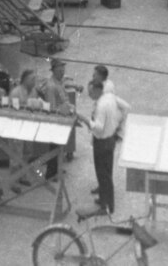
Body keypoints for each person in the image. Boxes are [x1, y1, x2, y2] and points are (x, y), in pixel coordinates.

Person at [77, 79, 129, 214]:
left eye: (91, 92)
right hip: (110, 139)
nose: (89, 95)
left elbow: (98, 128)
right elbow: (126, 107)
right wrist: (119, 127)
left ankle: (106, 206)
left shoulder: (101, 105)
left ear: (98, 90)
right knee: (106, 174)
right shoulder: (110, 97)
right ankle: (105, 201)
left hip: (102, 142)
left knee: (103, 175)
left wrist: (85, 120)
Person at [38, 58, 73, 179]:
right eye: (60, 71)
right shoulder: (51, 86)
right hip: (56, 119)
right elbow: (51, 107)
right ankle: (51, 173)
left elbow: (65, 82)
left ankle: (56, 169)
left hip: (62, 118)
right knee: (54, 147)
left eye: (63, 70)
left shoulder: (58, 81)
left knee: (59, 146)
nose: (62, 73)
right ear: (53, 71)